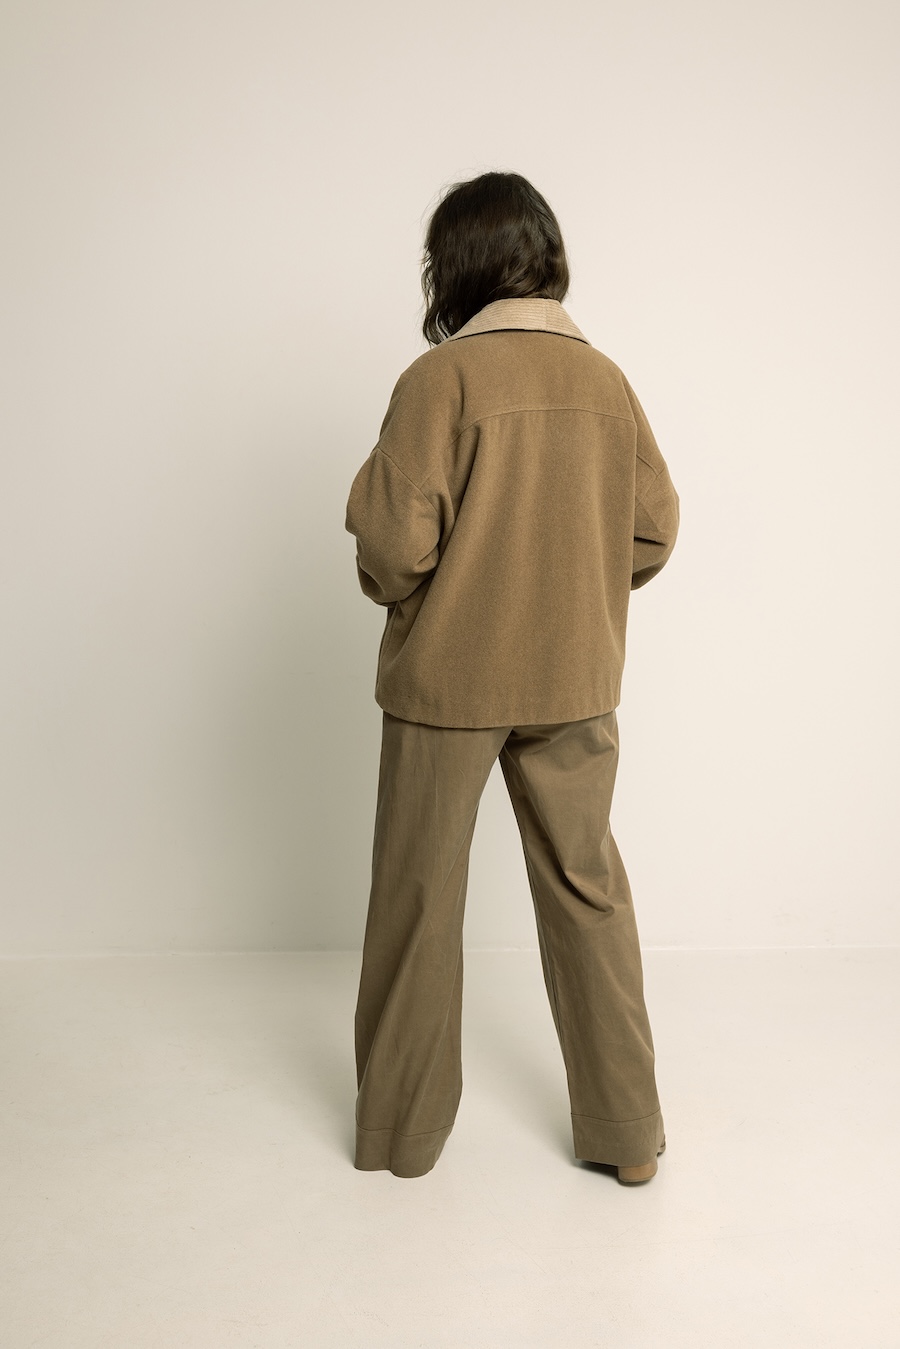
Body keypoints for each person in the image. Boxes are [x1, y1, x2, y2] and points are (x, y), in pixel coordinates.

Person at [344, 171, 680, 1182]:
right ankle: (627, 1136)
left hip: (447, 682)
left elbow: (392, 545)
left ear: (453, 267)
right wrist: (576, 588)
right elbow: (654, 528)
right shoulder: (607, 383)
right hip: (575, 679)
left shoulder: (440, 380)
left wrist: (424, 591)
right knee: (588, 892)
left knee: (418, 897)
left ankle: (403, 1137)